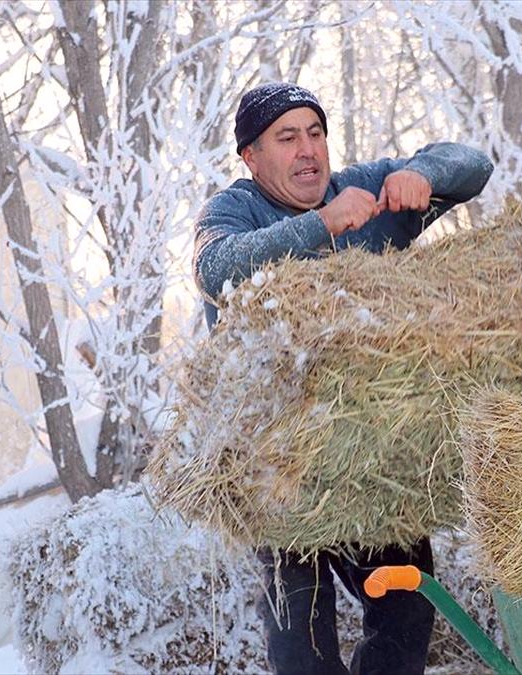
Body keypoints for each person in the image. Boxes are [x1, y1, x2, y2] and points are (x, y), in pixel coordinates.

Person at [192, 82, 493, 675]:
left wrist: (425, 175)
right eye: (287, 138)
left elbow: (474, 165)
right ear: (252, 158)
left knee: (407, 611)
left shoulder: (365, 193)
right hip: (275, 471)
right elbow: (216, 269)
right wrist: (321, 225)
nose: (308, 150)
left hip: (367, 460)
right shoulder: (232, 211)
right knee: (302, 650)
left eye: (315, 133)